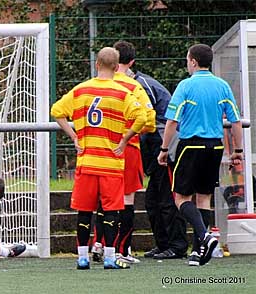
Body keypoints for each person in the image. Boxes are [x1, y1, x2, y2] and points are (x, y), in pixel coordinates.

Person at [51, 47, 147, 270]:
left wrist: (74, 136)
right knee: (112, 211)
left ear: (96, 64)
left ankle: (82, 258)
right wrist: (124, 140)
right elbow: (142, 117)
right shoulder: (122, 93)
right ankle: (110, 258)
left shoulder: (81, 90)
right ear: (116, 67)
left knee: (85, 210)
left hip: (86, 162)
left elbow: (56, 110)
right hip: (111, 164)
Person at [157, 43, 243, 266]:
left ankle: (204, 236)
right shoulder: (222, 85)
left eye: (187, 60)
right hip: (215, 147)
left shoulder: (185, 86)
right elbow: (235, 121)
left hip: (191, 146)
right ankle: (199, 252)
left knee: (180, 198)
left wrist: (164, 149)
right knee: (204, 197)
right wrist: (238, 151)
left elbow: (172, 121)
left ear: (193, 61)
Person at [128, 68, 189, 259]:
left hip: (165, 145)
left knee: (167, 197)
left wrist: (163, 150)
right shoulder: (130, 85)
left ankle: (178, 245)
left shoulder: (142, 85)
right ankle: (162, 244)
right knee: (152, 200)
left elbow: (151, 120)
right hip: (153, 146)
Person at [104, 41, 156, 264]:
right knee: (126, 199)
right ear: (131, 62)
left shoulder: (92, 85)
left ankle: (100, 246)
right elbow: (150, 120)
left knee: (102, 199)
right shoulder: (133, 87)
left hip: (100, 148)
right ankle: (121, 251)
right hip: (128, 148)